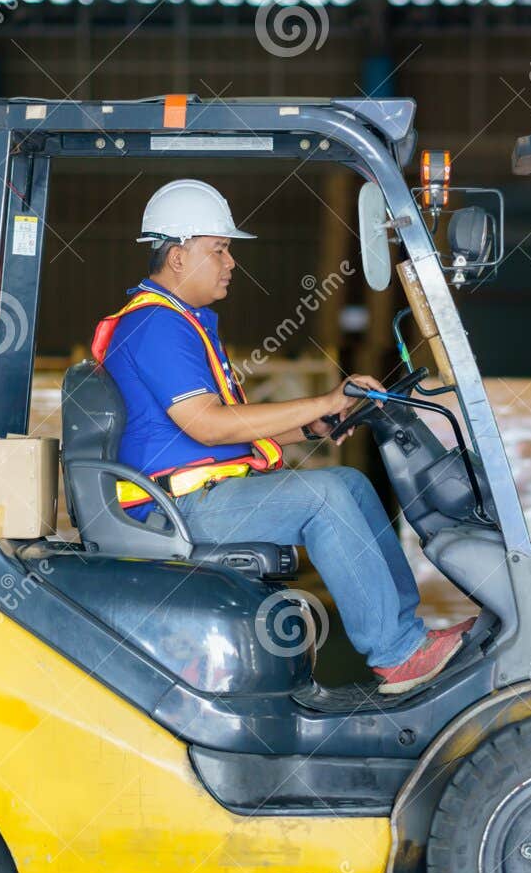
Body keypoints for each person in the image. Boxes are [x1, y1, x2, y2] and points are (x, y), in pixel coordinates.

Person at [93, 179, 470, 695]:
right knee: (327, 497)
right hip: (175, 507)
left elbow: (223, 427)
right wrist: (323, 400)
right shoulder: (156, 325)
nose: (231, 263)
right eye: (219, 250)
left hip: (198, 492)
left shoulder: (180, 322)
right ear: (178, 257)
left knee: (352, 485)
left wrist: (310, 426)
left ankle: (409, 637)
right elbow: (204, 423)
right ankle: (397, 653)